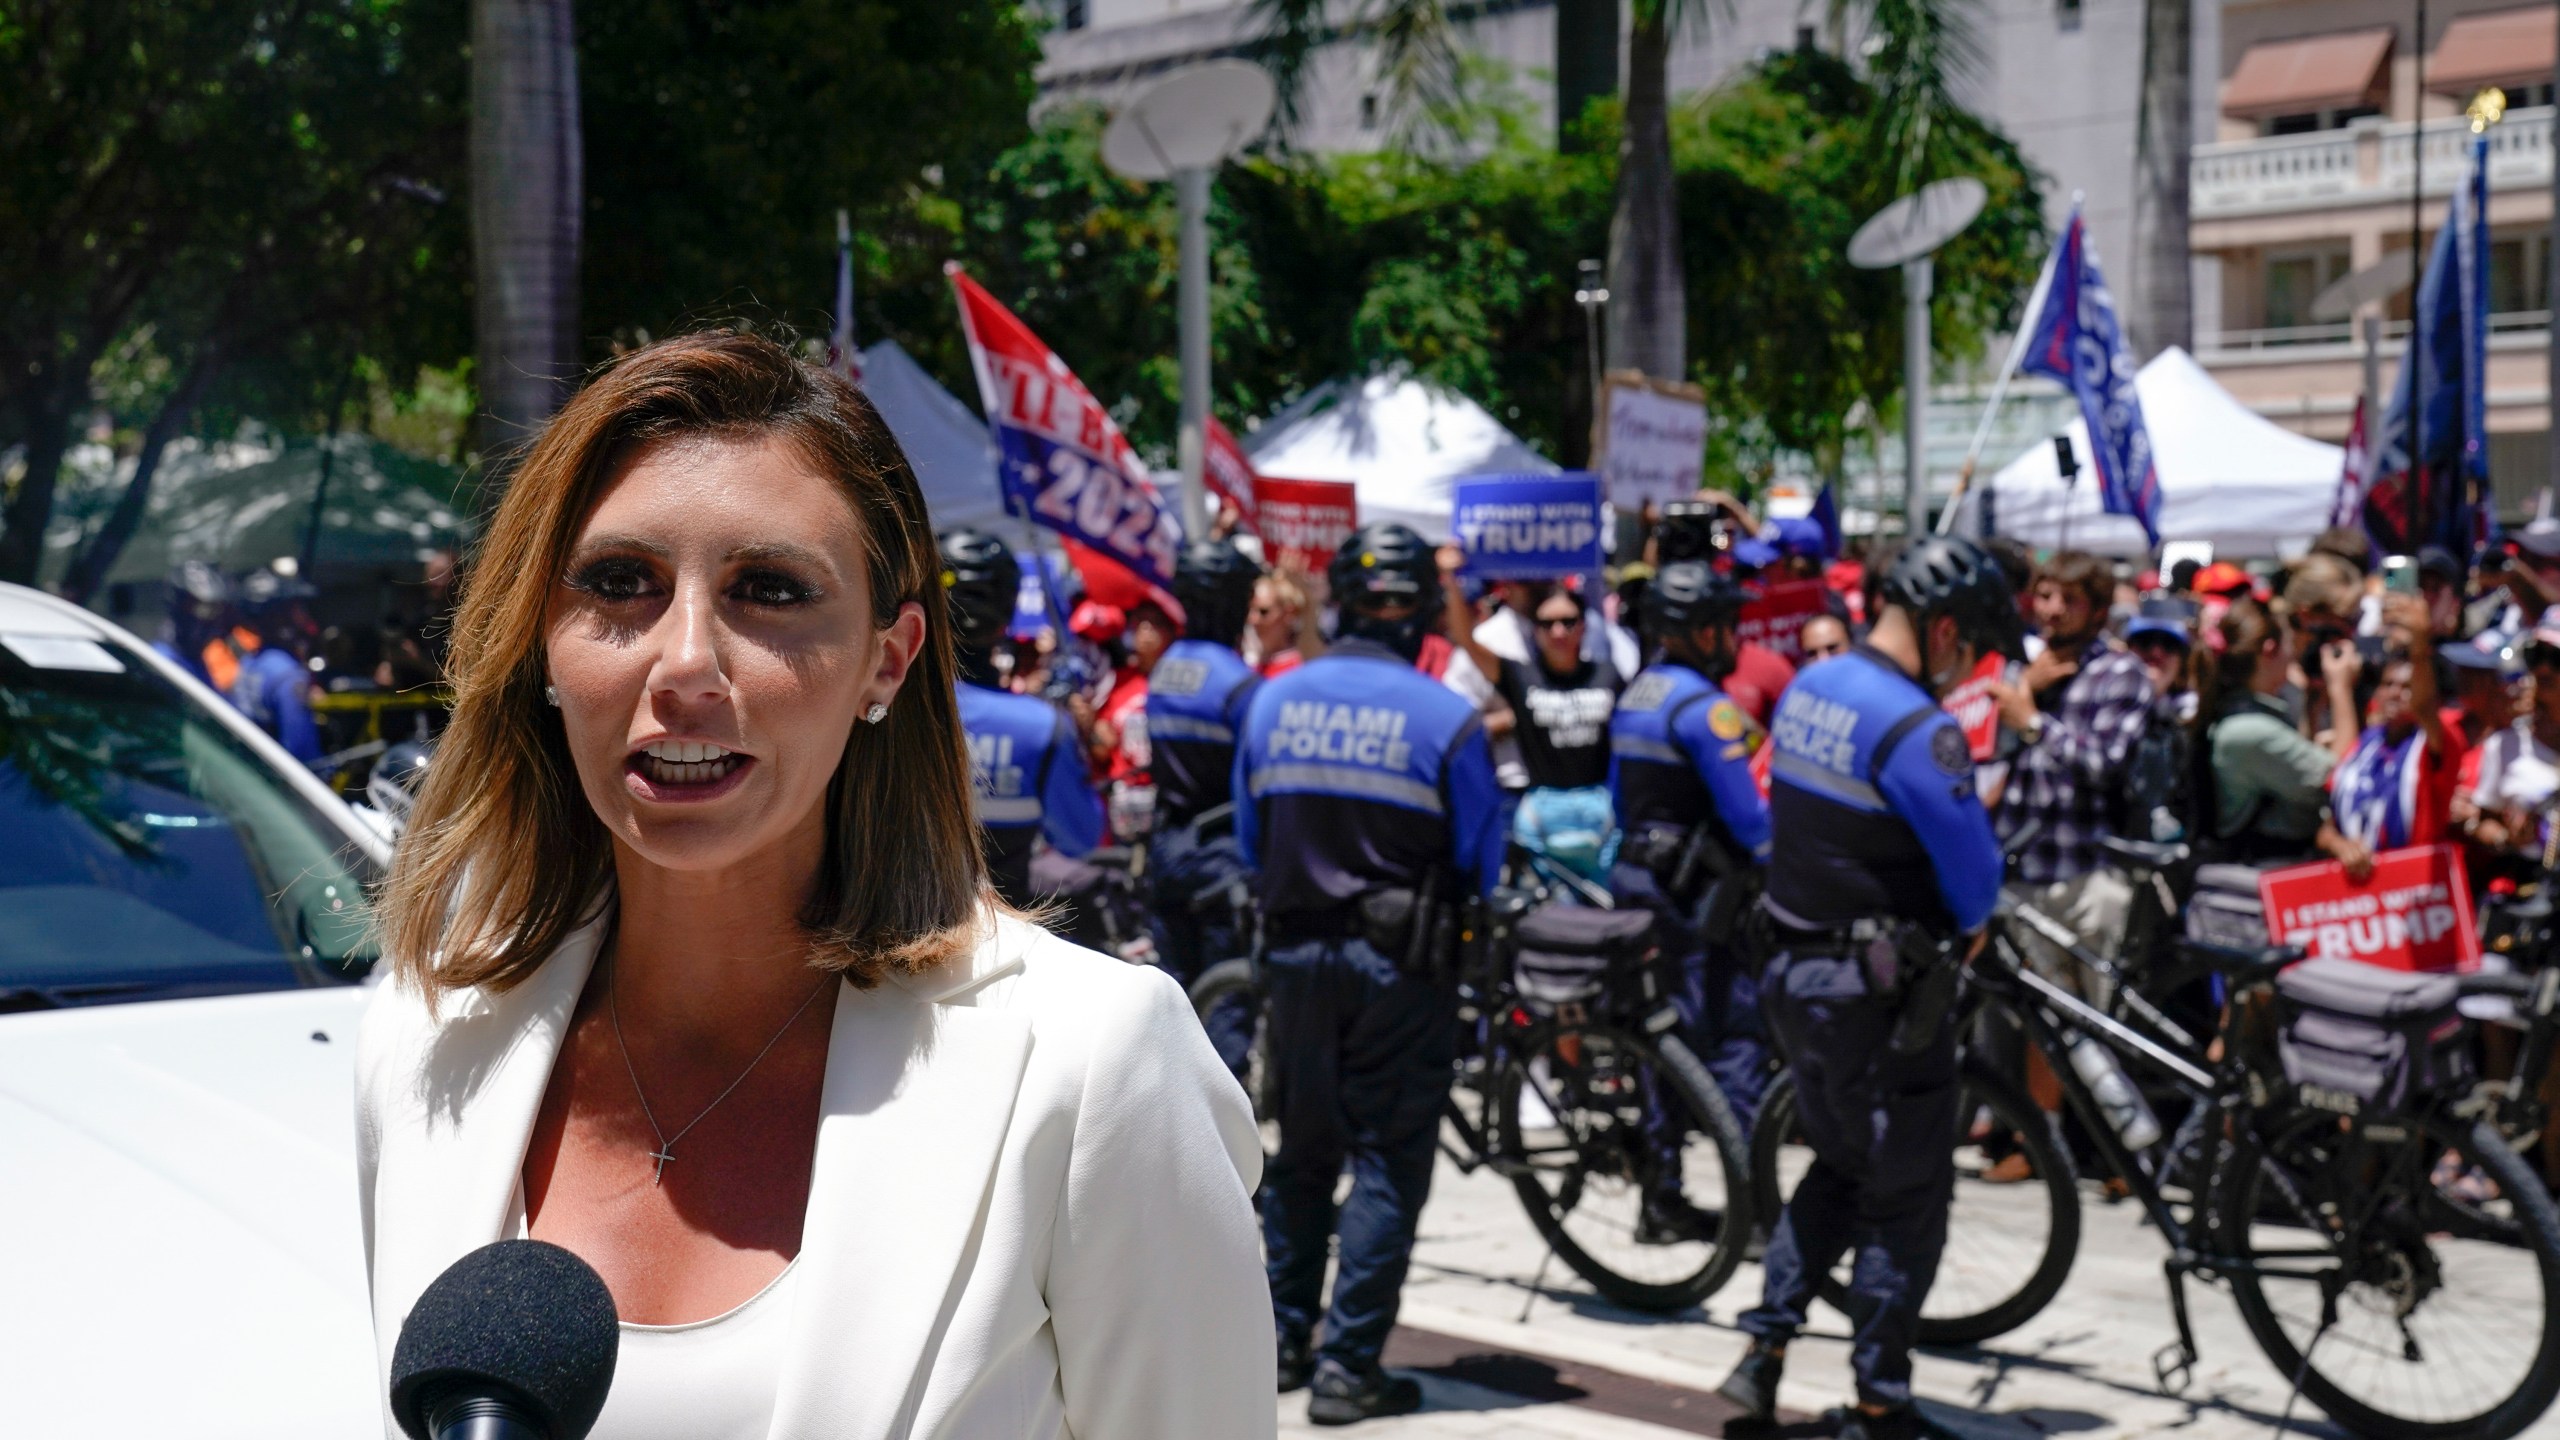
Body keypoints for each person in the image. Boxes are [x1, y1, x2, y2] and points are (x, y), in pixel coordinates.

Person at [357, 331, 1271, 1440]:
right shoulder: (424, 1036)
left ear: (885, 661)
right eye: (619, 583)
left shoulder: (1094, 1065)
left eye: (770, 590)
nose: (683, 660)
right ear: (546, 642)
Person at [1714, 537, 2015, 1440]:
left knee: (1840, 1164)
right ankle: (1882, 1398)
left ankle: (1762, 1352)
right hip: (1881, 1002)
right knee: (1906, 1192)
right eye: (1972, 647)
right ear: (1946, 628)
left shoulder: (1813, 686)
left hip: (1796, 978)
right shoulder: (1919, 730)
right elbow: (1977, 888)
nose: (1969, 667)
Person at [1236, 521, 1504, 1425]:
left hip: (1296, 962)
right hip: (1403, 972)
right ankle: (1350, 1369)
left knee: (1304, 1159)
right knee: (1389, 1161)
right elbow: (1485, 862)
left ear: (1339, 604)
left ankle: (1278, 1349)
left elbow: (1248, 840)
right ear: (1423, 613)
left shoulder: (1272, 704)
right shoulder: (1448, 718)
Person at [1607, 560, 1774, 1128]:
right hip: (1700, 900)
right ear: (1705, 632)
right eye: (1729, 625)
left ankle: (1664, 1196)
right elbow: (1754, 826)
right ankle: (1750, 1194)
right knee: (1737, 1033)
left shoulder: (1635, 697)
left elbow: (1619, 804)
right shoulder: (1708, 711)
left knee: (1661, 1036)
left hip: (1639, 881)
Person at [1990, 550, 2155, 1007]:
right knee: (2028, 1028)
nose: (2054, 610)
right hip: (2020, 876)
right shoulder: (2018, 670)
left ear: (2099, 612)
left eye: (2071, 600)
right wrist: (2028, 688)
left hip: (2085, 877)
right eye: (2045, 596)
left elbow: (2104, 763)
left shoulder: (2120, 673)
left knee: (2092, 1022)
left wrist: (2034, 723)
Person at [1146, 538, 1265, 1070]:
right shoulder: (1240, 685)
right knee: (1226, 1007)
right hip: (1221, 855)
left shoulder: (1166, 668)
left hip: (1166, 847)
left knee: (1173, 998)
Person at [939, 528, 1105, 907]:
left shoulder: (878, 710)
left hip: (889, 938)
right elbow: (1081, 835)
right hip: (1001, 939)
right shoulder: (1042, 727)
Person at [2198, 594, 2354, 862]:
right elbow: (2342, 780)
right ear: (2270, 650)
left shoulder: (2243, 715)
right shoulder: (2248, 731)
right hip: (2258, 881)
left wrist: (2313, 707)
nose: (2295, 653)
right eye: (2290, 642)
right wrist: (2341, 688)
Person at [2323, 593, 2464, 879]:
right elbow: (2326, 824)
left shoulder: (2435, 746)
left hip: (2413, 889)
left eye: (2407, 686)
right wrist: (2340, 845)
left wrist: (2420, 646)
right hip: (2362, 896)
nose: (2395, 694)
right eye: (2388, 684)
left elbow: (2423, 707)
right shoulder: (2366, 744)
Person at [232, 565, 325, 766]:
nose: (303, 616)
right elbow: (303, 754)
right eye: (295, 609)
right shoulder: (288, 674)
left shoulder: (249, 663)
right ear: (280, 617)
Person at [1249, 570, 1311, 678]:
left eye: (1263, 612)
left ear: (1288, 613)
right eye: (1250, 610)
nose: (1253, 620)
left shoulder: (1297, 671)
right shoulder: (1247, 665)